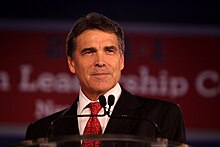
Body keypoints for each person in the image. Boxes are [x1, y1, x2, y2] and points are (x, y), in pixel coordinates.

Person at [25, 12, 186, 145]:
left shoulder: (161, 117)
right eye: (89, 52)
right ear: (72, 63)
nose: (100, 62)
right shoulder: (43, 130)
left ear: (121, 60)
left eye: (109, 51)